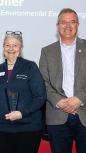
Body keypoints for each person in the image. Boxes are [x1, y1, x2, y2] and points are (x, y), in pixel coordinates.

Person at [0, 31, 46, 153]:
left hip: (28, 128)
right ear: (3, 47)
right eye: (7, 45)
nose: (11, 48)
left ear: (21, 48)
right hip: (2, 128)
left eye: (15, 45)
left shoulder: (30, 67)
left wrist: (22, 113)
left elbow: (40, 97)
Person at [39, 8, 86, 153]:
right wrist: (60, 101)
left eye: (72, 22)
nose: (68, 26)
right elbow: (43, 82)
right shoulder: (47, 51)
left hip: (84, 112)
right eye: (63, 22)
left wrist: (80, 98)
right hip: (57, 115)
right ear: (57, 26)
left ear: (78, 25)